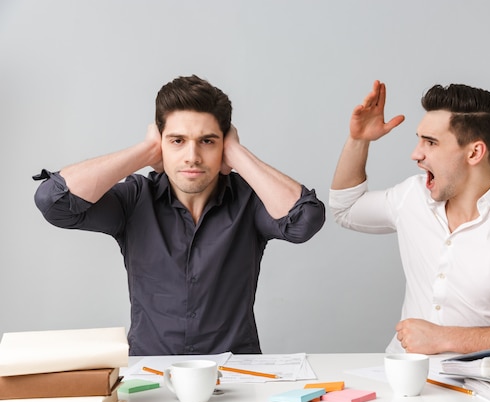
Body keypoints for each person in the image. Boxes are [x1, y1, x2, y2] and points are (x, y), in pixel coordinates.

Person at [33, 75, 325, 356]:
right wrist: (145, 151)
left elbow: (304, 221)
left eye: (208, 141)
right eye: (177, 141)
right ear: (161, 142)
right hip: (150, 376)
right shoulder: (135, 199)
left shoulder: (250, 201)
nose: (192, 156)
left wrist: (237, 154)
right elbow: (53, 201)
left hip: (238, 374)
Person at [330, 80, 490, 354]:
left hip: (482, 387)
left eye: (431, 142)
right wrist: (359, 140)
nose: (416, 154)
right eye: (420, 139)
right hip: (403, 379)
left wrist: (445, 338)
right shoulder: (412, 196)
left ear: (474, 152)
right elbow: (346, 208)